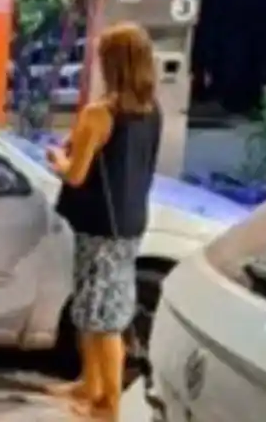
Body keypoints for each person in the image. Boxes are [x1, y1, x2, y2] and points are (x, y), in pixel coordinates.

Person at [45, 22, 161, 420]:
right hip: (128, 223)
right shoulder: (150, 111)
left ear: (111, 63)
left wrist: (58, 160)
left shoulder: (100, 112)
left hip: (99, 226)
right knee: (96, 307)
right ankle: (88, 384)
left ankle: (106, 403)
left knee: (103, 318)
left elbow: (75, 174)